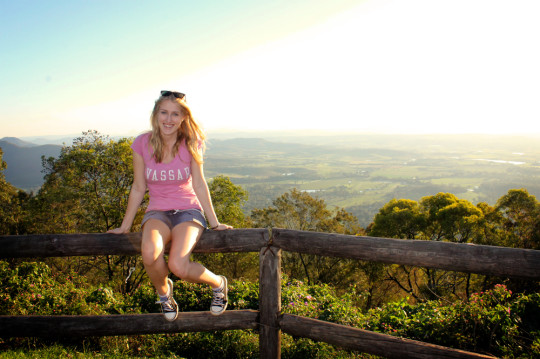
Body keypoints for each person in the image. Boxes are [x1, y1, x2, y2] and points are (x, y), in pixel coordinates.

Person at [108, 90, 232, 321]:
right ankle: (165, 294)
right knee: (149, 253)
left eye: (175, 114)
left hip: (188, 211)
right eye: (164, 112)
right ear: (155, 115)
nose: (169, 119)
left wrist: (214, 223)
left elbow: (199, 183)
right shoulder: (142, 143)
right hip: (157, 212)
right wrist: (124, 227)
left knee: (178, 265)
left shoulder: (192, 142)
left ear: (184, 117)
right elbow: (138, 187)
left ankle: (218, 283)